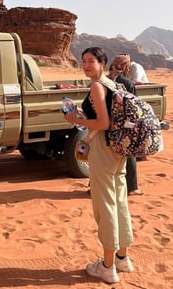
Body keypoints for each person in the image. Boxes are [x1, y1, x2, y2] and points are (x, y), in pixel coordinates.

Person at [64, 47, 134, 284]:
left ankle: (107, 266)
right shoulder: (112, 84)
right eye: (83, 61)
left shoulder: (97, 86)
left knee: (105, 205)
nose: (86, 65)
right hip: (118, 149)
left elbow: (103, 123)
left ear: (102, 62)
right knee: (119, 200)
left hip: (103, 149)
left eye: (91, 61)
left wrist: (74, 119)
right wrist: (84, 119)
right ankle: (122, 258)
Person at [109, 54, 144, 196]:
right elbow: (133, 105)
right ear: (126, 67)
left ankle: (95, 186)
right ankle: (132, 187)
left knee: (104, 156)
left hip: (105, 123)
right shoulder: (128, 83)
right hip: (123, 124)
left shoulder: (104, 81)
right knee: (129, 154)